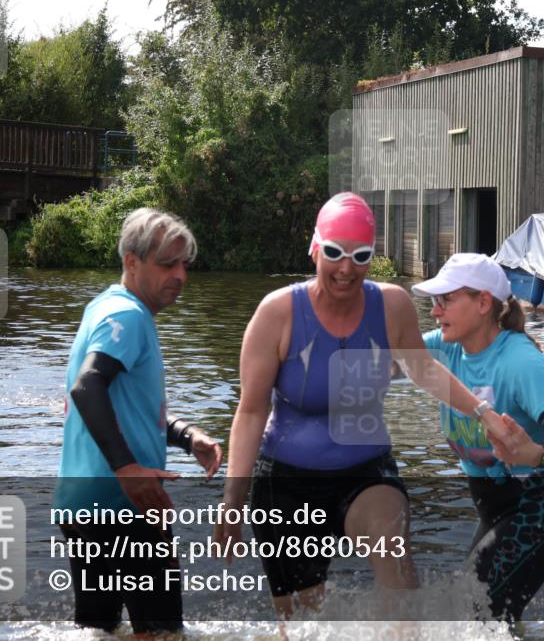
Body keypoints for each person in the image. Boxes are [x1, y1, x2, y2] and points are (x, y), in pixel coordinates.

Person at [214, 193, 514, 619]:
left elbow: (423, 370)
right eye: (334, 253)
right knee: (301, 619)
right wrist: (233, 497)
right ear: (315, 248)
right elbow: (250, 411)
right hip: (286, 482)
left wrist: (484, 414)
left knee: (394, 551)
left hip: (365, 470)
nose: (345, 268)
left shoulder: (391, 305)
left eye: (360, 255)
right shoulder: (277, 313)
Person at [56, 207, 223, 635]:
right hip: (124, 506)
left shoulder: (104, 307)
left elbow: (118, 405)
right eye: (167, 263)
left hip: (82, 505)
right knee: (163, 632)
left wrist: (187, 437)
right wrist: (127, 470)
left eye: (185, 264)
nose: (180, 275)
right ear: (132, 262)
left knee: (97, 629)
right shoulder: (128, 316)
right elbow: (86, 388)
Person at [411, 253, 544, 622]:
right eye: (433, 302)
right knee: (479, 619)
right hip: (494, 512)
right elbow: (382, 351)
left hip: (537, 512)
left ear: (483, 303)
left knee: (473, 617)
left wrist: (535, 452)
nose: (435, 312)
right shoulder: (444, 348)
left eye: (445, 301)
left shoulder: (520, 362)